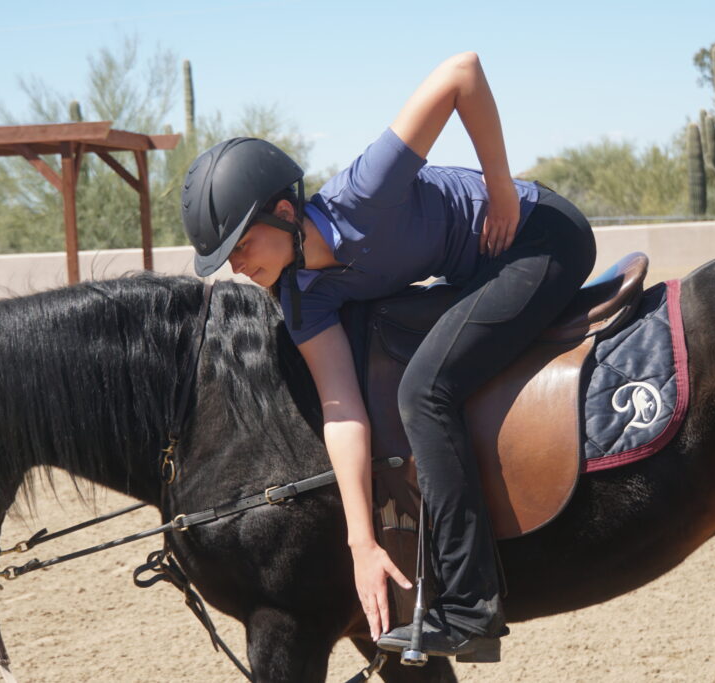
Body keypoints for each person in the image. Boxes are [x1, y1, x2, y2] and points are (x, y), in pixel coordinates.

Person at [181, 52, 596, 661]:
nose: (238, 268)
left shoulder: (364, 190)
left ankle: (469, 601)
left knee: (425, 391)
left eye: (241, 245)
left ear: (287, 214)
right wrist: (360, 544)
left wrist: (502, 188)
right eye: (227, 260)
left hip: (541, 237)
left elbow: (463, 73)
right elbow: (342, 408)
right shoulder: (299, 297)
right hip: (480, 271)